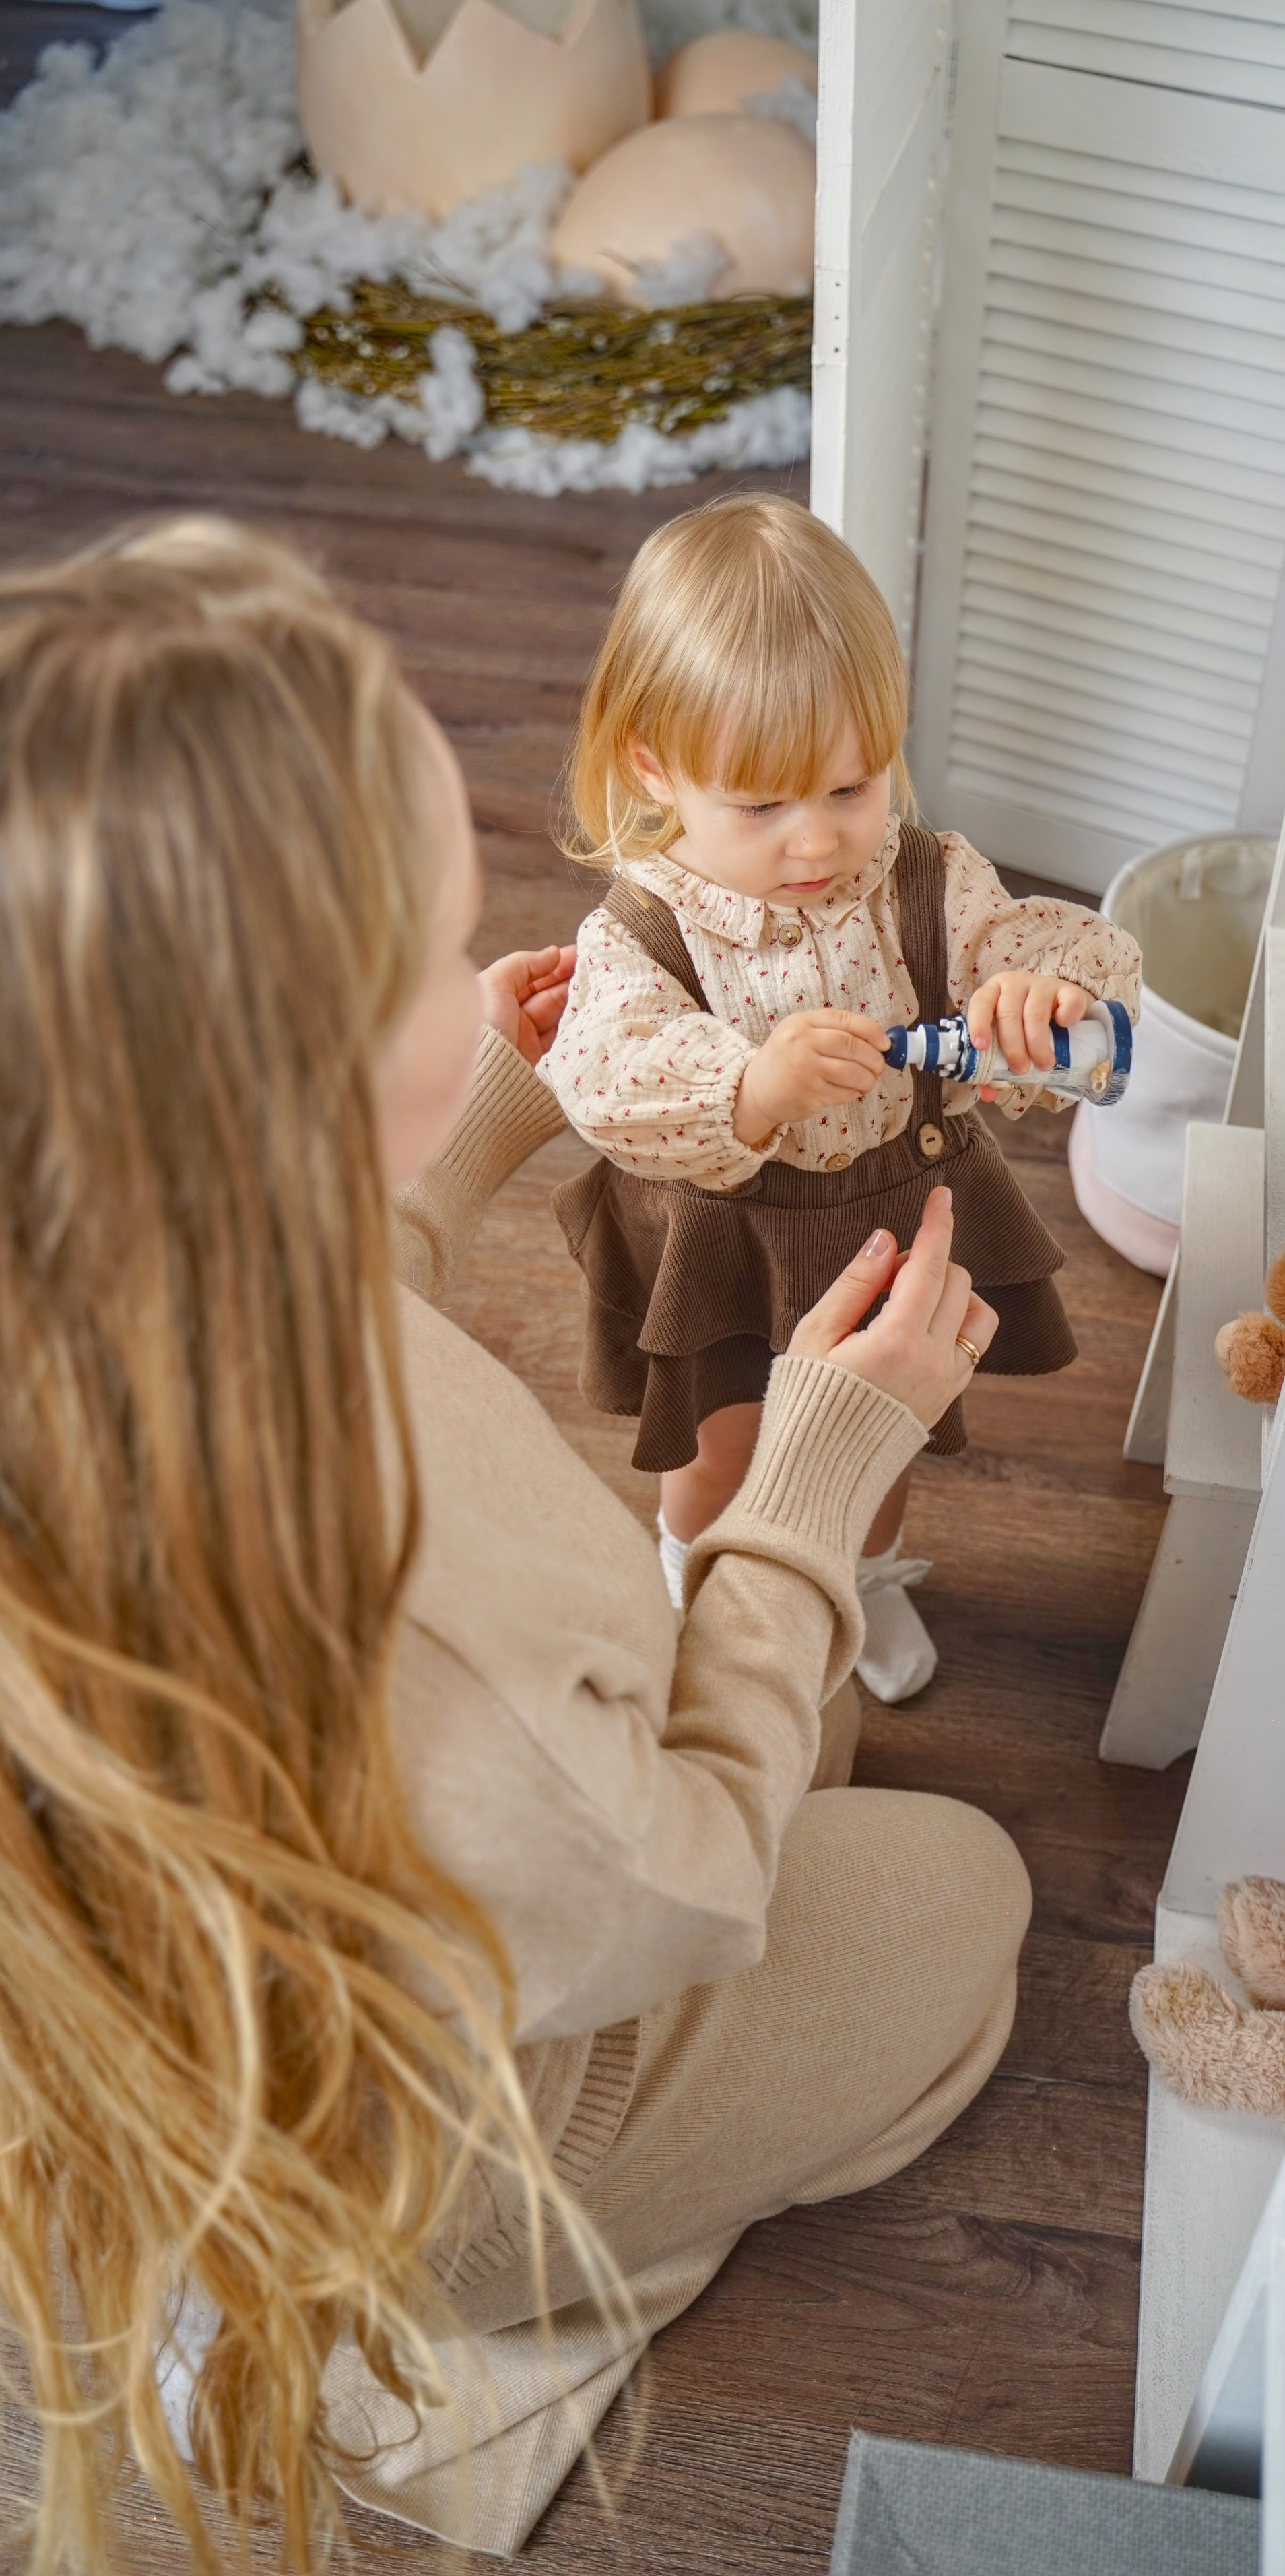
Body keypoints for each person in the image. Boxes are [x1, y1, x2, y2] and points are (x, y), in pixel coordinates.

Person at [0, 516, 1032, 2568]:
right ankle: (479, 2295)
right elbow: (672, 1883)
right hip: (462, 2139)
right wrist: (814, 1479)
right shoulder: (398, 1589)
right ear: (279, 1056)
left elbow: (318, 1269)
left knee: (800, 1719)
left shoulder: (93, 1249)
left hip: (313, 1965)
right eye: (427, 932)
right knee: (968, 1890)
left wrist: (468, 1130)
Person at [542, 495, 1142, 1702]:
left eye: (850, 787)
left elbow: (1051, 957)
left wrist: (1041, 995)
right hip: (726, 1245)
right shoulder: (649, 923)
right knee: (727, 1448)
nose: (816, 841)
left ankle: (858, 1581)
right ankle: (699, 1589)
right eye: (761, 806)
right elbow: (603, 1079)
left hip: (888, 1225)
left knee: (877, 1435)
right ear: (657, 767)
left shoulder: (925, 880)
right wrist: (751, 1084)